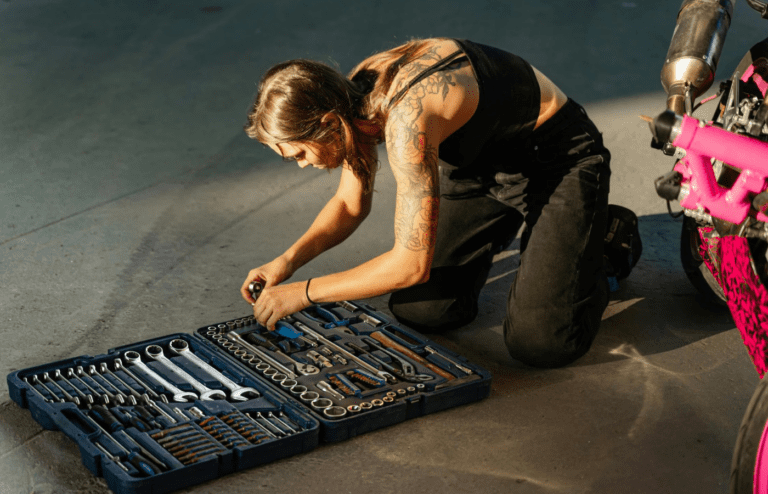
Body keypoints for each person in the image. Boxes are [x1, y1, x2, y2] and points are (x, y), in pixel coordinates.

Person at [241, 37, 612, 368]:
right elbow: (350, 205)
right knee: (424, 311)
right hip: (474, 165)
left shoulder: (408, 122)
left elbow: (409, 266)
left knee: (541, 343)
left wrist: (305, 293)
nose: (303, 164)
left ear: (327, 122)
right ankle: (539, 230)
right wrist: (286, 262)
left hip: (555, 159)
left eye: (299, 154)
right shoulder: (351, 98)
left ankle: (605, 234)